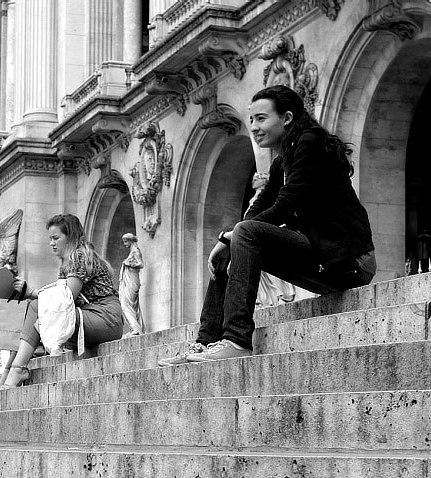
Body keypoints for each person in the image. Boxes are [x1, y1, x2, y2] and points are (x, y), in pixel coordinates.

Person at [159, 85, 376, 366]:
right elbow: (258, 210)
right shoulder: (281, 163)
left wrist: (229, 238)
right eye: (251, 120)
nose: (254, 127)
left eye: (261, 118)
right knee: (241, 235)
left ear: (286, 118)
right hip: (324, 259)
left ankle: (236, 340)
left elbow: (285, 204)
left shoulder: (310, 142)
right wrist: (226, 242)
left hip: (351, 262)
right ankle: (205, 342)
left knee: (244, 233)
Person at [0, 214, 124, 389]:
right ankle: (11, 370)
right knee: (28, 311)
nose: (51, 243)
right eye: (50, 239)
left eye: (56, 238)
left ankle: (14, 371)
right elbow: (57, 301)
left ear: (70, 237)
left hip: (105, 317)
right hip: (91, 318)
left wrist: (32, 292)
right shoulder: (68, 263)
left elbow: (65, 297)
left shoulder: (79, 255)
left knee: (36, 307)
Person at [118, 233, 145, 336]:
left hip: (132, 280)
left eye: (125, 241)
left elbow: (141, 264)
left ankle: (136, 329)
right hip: (128, 280)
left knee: (126, 305)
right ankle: (136, 328)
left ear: (131, 240)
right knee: (130, 305)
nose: (124, 244)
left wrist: (128, 263)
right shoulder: (132, 252)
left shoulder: (136, 251)